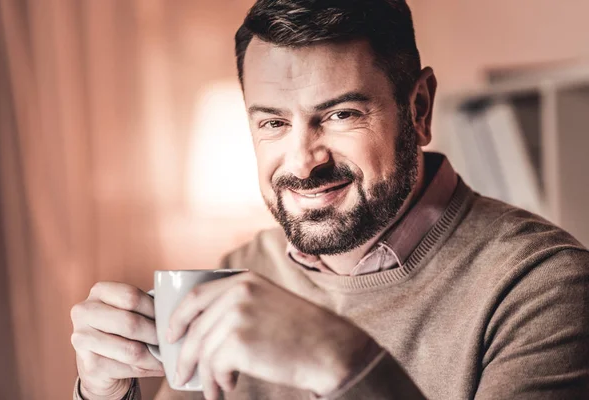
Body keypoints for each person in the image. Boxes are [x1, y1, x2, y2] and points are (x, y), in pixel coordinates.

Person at [70, 0, 589, 399]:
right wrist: (105, 392)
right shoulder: (247, 268)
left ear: (420, 109)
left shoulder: (546, 290)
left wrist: (343, 362)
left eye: (340, 114)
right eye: (273, 122)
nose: (302, 162)